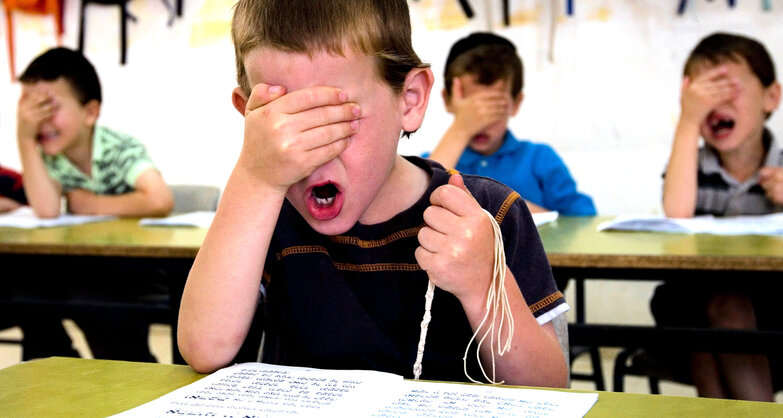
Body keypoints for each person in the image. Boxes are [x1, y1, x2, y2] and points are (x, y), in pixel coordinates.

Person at [178, 0, 569, 388]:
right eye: (285, 123)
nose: (313, 150)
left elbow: (549, 389)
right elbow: (204, 348)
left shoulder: (488, 215)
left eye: (339, 116)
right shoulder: (267, 213)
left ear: (409, 99)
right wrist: (254, 176)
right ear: (249, 115)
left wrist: (485, 286)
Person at [653, 32, 783, 401]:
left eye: (728, 88)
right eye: (703, 94)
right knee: (709, 312)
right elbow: (677, 212)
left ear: (772, 97)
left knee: (722, 313)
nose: (715, 103)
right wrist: (687, 122)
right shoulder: (688, 168)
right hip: (692, 300)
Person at [15, 47, 174, 362]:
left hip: (134, 269)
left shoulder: (118, 148)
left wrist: (92, 204)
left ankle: (132, 373)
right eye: (29, 109)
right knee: (24, 290)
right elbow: (46, 210)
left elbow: (159, 199)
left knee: (95, 304)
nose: (39, 121)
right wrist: (24, 138)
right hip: (84, 266)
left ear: (90, 112)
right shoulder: (49, 157)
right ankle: (55, 367)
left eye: (48, 106)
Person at [427, 32, 595, 215]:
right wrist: (460, 129)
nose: (481, 123)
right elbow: (416, 210)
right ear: (447, 100)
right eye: (472, 112)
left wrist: (515, 211)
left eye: (493, 109)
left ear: (516, 103)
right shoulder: (431, 162)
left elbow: (584, 224)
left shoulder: (540, 159)